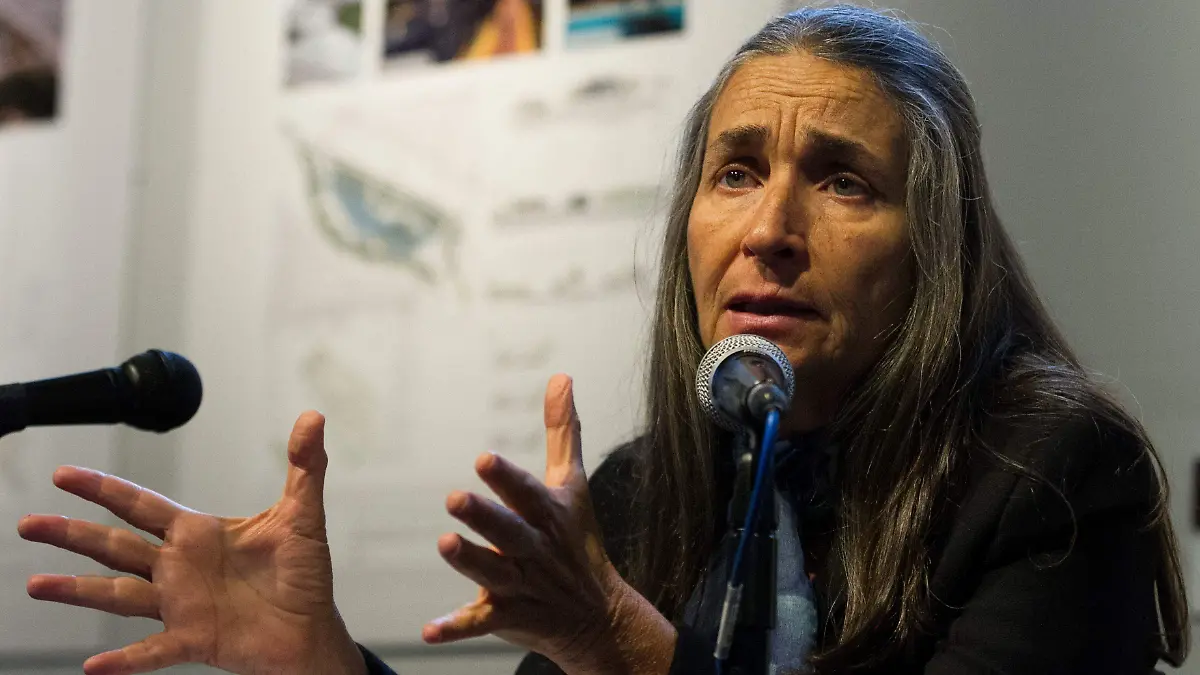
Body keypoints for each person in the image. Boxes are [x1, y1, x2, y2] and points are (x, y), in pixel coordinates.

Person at [15, 5, 1189, 674]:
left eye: (843, 182)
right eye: (736, 173)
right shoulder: (643, 489)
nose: (768, 232)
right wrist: (324, 656)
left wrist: (623, 643)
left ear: (938, 243)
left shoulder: (1052, 473)